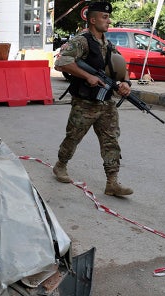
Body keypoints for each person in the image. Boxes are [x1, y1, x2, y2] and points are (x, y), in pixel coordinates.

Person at [53, 1, 133, 197]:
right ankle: (60, 165)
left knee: (111, 141)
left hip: (106, 103)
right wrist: (87, 76)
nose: (108, 21)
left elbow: (121, 68)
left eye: (108, 17)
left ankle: (112, 182)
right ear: (92, 19)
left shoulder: (108, 43)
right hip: (85, 103)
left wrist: (125, 83)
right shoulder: (82, 41)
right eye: (104, 17)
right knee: (73, 137)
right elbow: (61, 62)